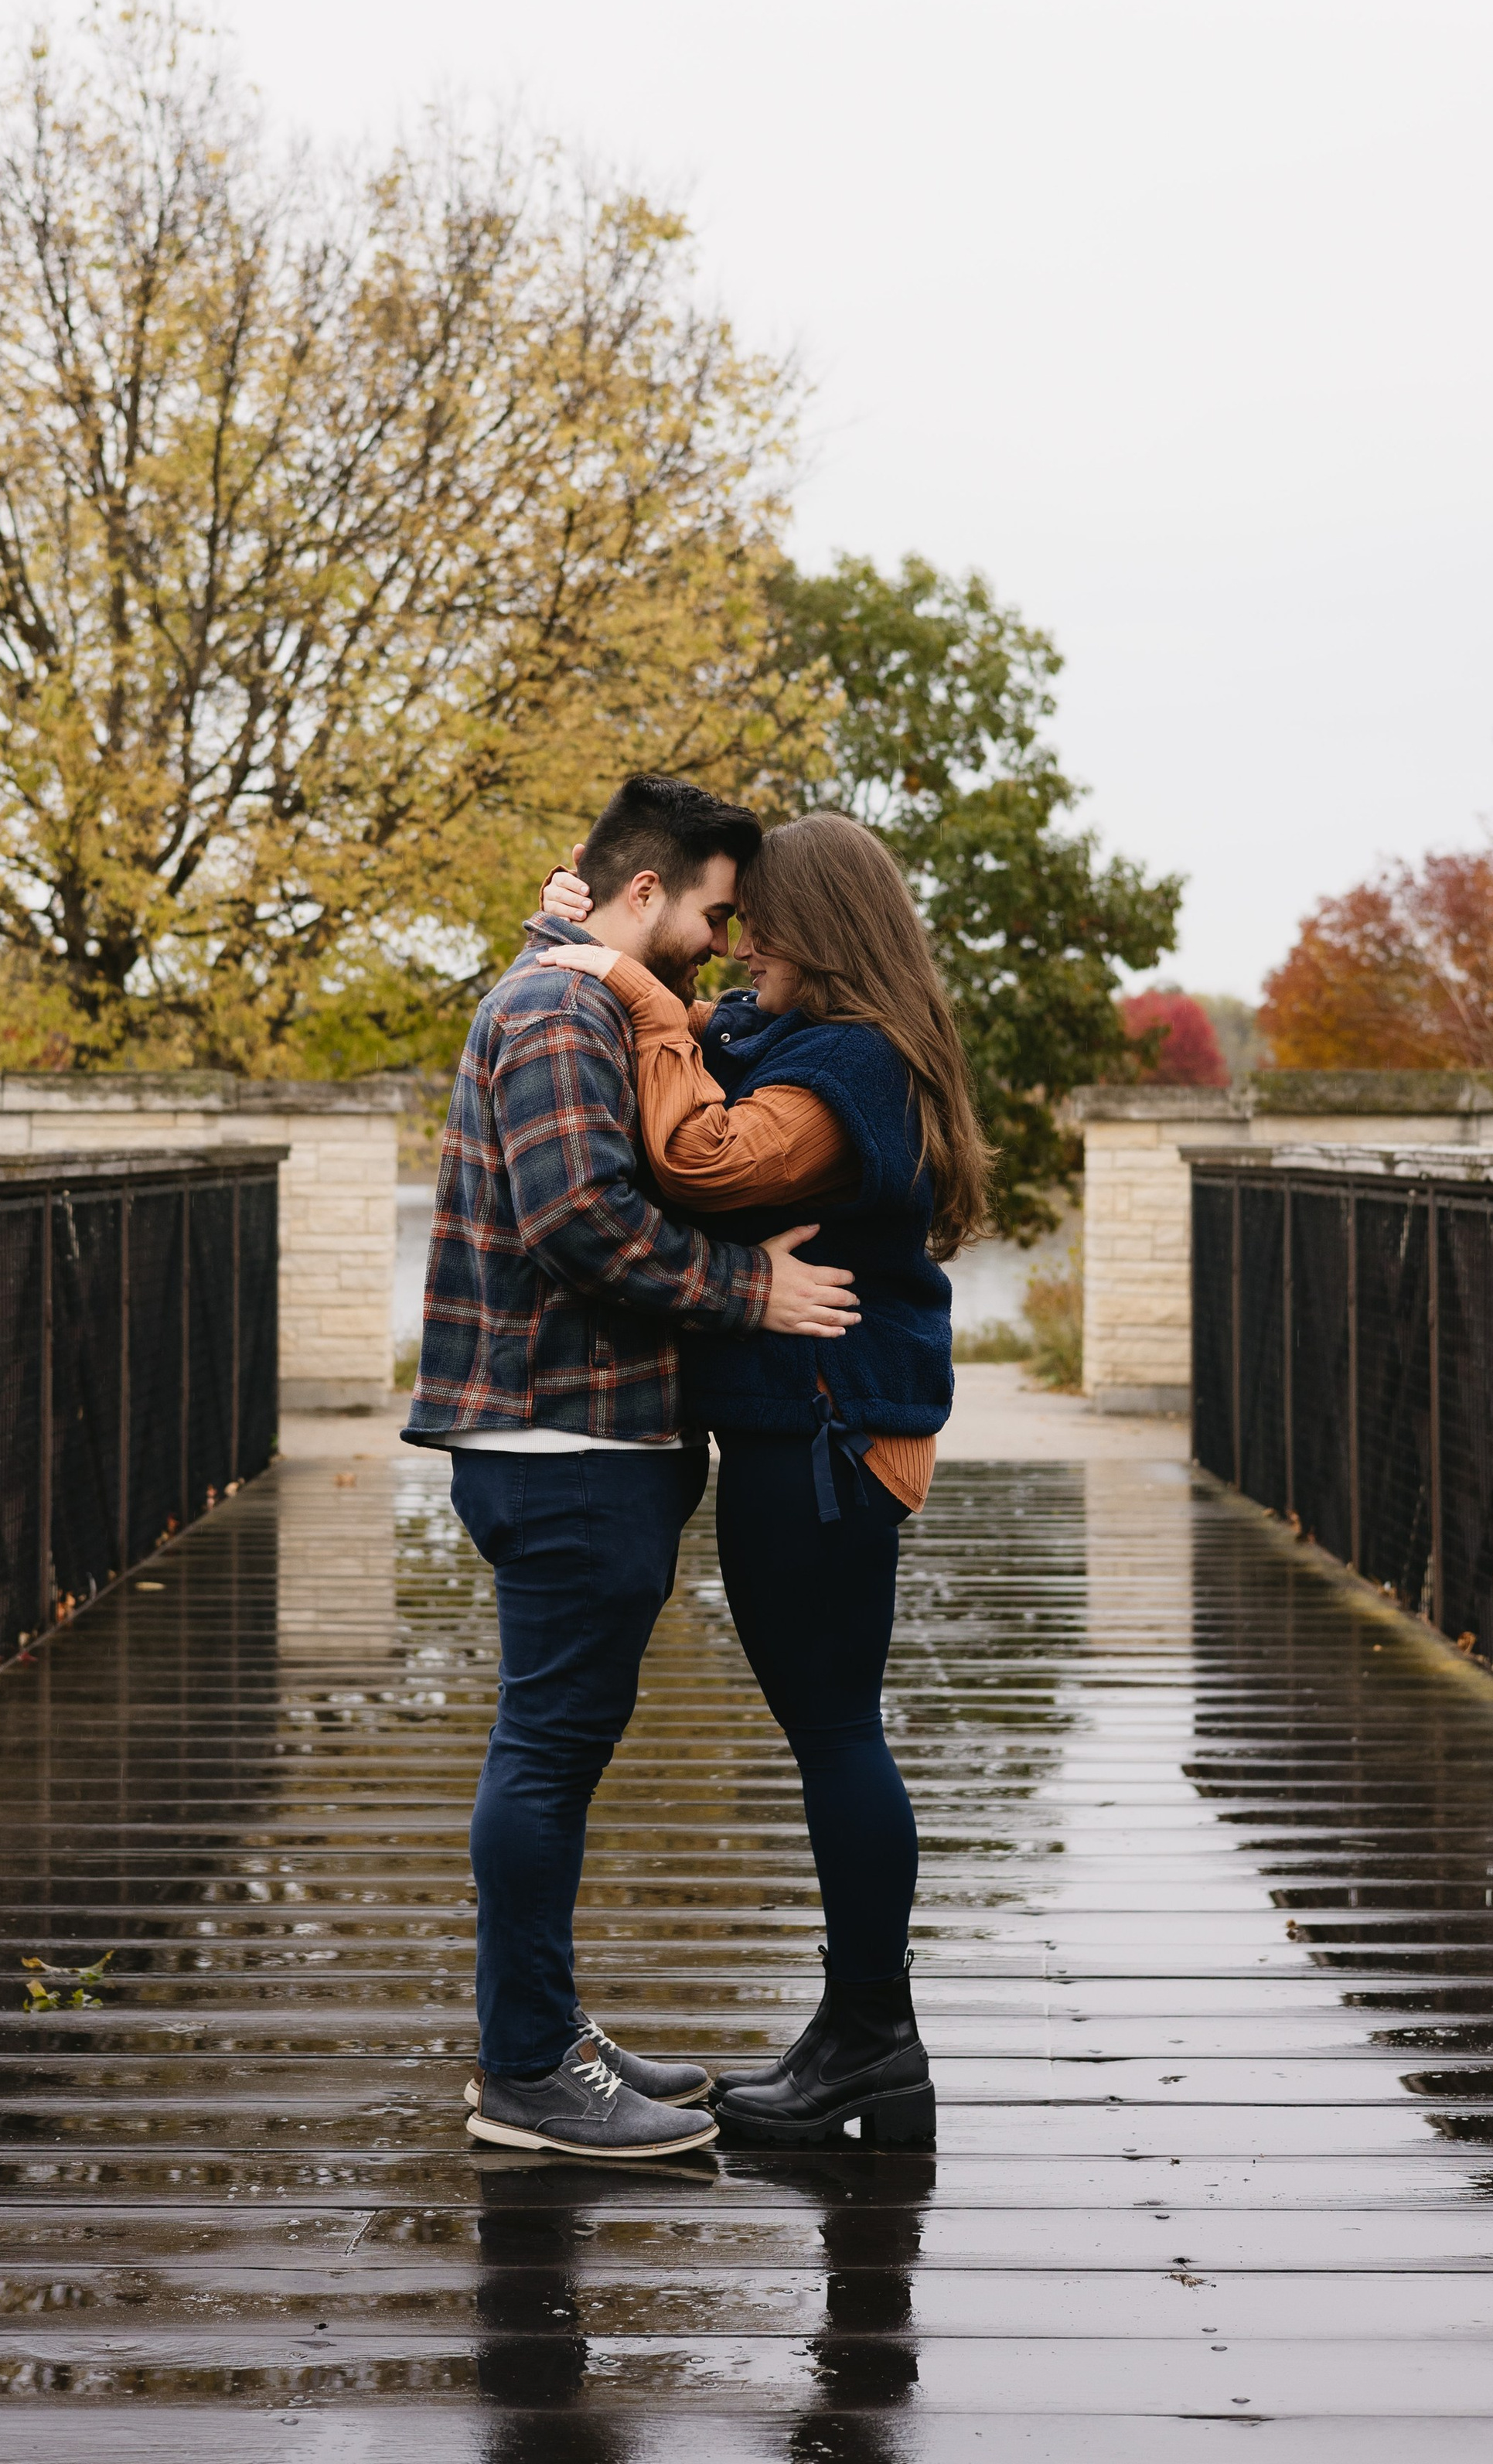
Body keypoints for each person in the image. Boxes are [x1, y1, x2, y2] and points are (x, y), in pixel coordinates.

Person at [404, 776, 863, 2163]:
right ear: (645, 892)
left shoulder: (577, 995)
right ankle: (530, 2071)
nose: (722, 945)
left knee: (556, 1748)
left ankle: (542, 2031)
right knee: (546, 1754)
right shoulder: (558, 1011)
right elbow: (581, 1221)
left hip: (584, 1437)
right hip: (563, 1437)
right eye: (716, 914)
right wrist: (751, 1293)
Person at [536, 807, 988, 2147]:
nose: (736, 944)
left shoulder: (847, 1062)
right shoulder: (797, 1036)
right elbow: (679, 1034)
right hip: (812, 1430)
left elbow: (697, 1155)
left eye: (755, 921)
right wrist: (580, 943)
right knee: (829, 1726)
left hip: (832, 1435)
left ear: (817, 927)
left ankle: (872, 2041)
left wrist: (622, 981)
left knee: (838, 1728)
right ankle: (861, 2033)